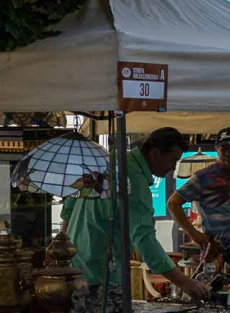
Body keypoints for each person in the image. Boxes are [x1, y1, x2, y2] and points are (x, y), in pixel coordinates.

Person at [61, 128, 208, 299]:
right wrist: (184, 282)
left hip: (74, 268)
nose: (173, 167)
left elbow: (69, 207)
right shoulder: (132, 179)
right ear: (154, 153)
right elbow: (144, 238)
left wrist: (64, 252)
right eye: (172, 160)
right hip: (101, 276)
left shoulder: (109, 161)